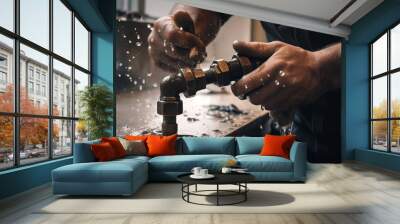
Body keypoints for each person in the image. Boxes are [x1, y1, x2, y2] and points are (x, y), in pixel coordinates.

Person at [147, 5, 342, 163]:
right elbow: (204, 10)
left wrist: (320, 68)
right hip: (289, 120)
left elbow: (372, 30)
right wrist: (185, 21)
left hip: (347, 134)